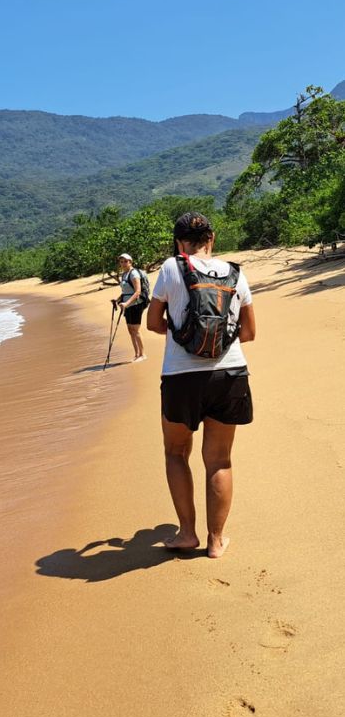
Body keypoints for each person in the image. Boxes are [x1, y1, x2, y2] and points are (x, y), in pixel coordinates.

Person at [146, 212, 256, 558]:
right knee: (219, 461)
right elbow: (250, 333)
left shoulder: (170, 267)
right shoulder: (236, 273)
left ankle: (187, 534)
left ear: (180, 242)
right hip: (230, 374)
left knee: (177, 452)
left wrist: (183, 335)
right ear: (213, 237)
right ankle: (216, 541)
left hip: (181, 376)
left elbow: (152, 323)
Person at [114, 254, 146, 363]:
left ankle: (142, 354)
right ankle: (136, 354)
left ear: (130, 262)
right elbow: (125, 292)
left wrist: (126, 303)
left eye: (125, 261)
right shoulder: (124, 274)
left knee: (135, 330)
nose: (123, 263)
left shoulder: (134, 274)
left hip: (136, 304)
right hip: (127, 305)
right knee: (130, 329)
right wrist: (117, 300)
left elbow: (138, 291)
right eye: (121, 262)